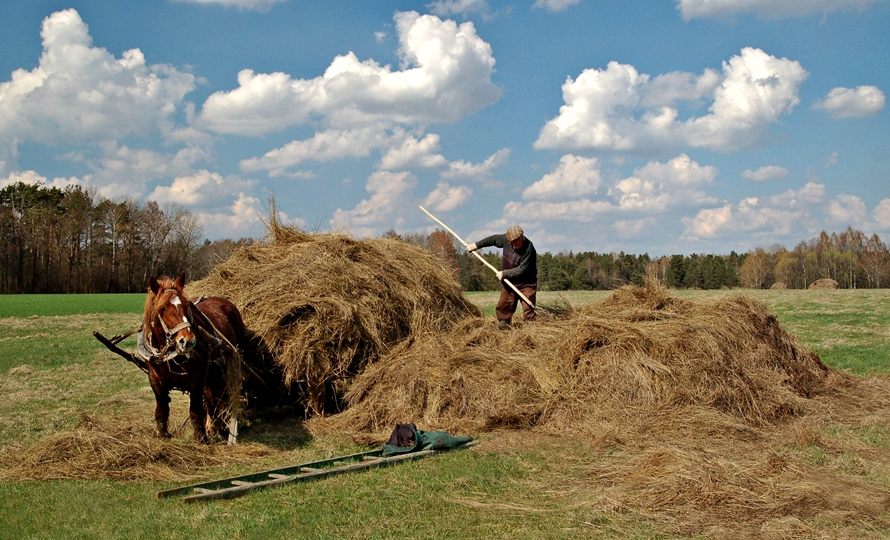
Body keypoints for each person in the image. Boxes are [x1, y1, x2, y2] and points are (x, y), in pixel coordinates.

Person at [467, 225, 537, 329]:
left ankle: (530, 329)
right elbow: (492, 240)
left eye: (519, 240)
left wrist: (504, 274)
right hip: (510, 282)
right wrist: (476, 245)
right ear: (509, 241)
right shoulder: (504, 239)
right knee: (504, 305)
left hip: (526, 282)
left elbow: (522, 270)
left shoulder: (529, 248)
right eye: (515, 241)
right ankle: (504, 325)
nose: (518, 243)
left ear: (522, 236)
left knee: (528, 307)